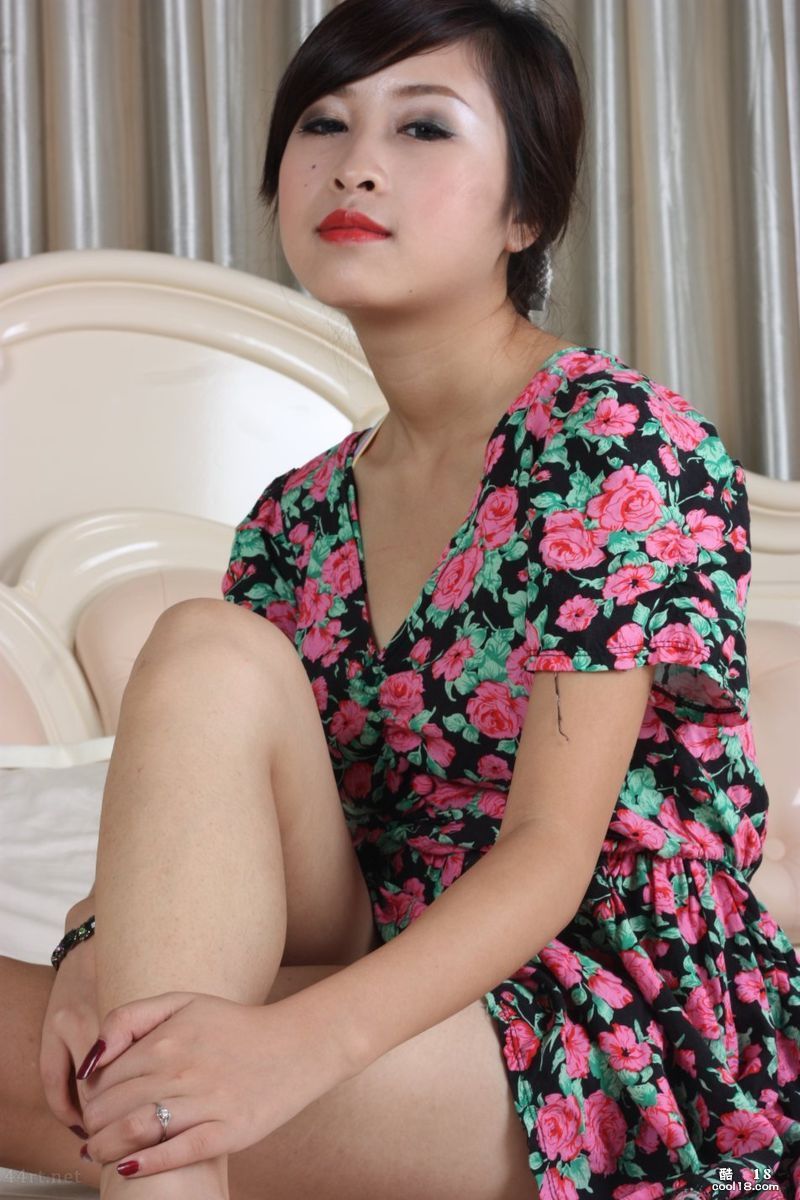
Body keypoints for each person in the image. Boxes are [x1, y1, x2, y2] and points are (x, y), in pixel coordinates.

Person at [3, 1, 798, 1198]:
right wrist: (92, 944)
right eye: (322, 123)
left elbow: (548, 858)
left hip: (605, 1010)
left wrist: (281, 1054)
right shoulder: (294, 517)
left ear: (522, 212)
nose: (355, 163)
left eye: (422, 128)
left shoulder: (612, 440)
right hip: (361, 948)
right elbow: (200, 828)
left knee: (139, 1077)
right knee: (206, 648)